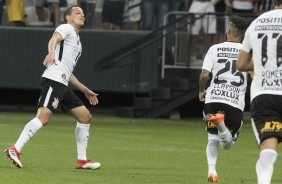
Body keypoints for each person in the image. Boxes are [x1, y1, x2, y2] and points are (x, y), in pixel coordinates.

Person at [4, 5, 101, 170]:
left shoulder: (78, 43)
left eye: (83, 13)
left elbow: (68, 72)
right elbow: (54, 39)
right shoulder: (66, 28)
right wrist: (50, 52)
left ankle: (82, 160)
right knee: (43, 118)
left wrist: (85, 90)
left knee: (85, 117)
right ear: (68, 17)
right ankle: (15, 149)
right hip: (53, 79)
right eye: (78, 13)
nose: (82, 15)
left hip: (63, 82)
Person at [199, 15, 252, 182]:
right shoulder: (248, 52)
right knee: (227, 145)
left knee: (212, 139)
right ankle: (221, 124)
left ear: (228, 30)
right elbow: (254, 75)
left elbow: (205, 74)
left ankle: (212, 172)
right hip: (234, 101)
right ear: (243, 35)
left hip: (213, 98)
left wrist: (201, 90)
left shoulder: (214, 48)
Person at [236, 1, 282, 183]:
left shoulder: (256, 23)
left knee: (268, 146)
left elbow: (240, 64)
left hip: (264, 93)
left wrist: (263, 64)